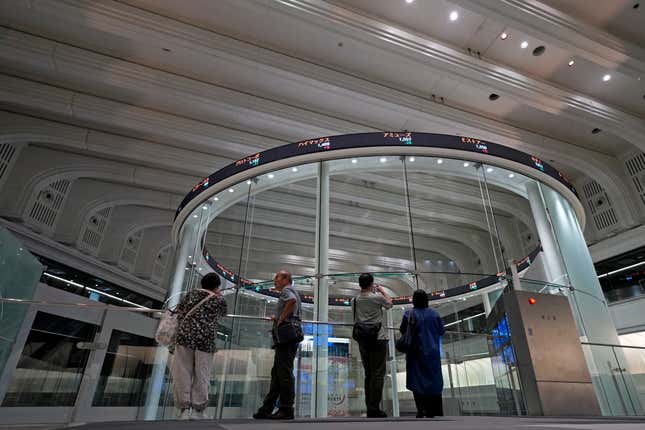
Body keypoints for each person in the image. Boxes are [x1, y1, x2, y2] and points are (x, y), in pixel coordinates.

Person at [171, 273, 227, 420]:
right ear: (217, 286)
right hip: (205, 340)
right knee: (202, 374)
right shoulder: (218, 299)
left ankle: (184, 409)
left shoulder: (191, 294)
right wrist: (218, 294)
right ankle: (198, 410)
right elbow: (224, 313)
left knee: (182, 372)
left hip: (185, 337)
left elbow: (179, 309)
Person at [253, 270, 302, 420]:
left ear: (286, 279)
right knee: (277, 373)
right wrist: (279, 317)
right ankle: (267, 408)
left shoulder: (287, 290)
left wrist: (281, 319)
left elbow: (291, 301)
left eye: (277, 278)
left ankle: (286, 409)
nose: (275, 280)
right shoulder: (291, 290)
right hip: (289, 336)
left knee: (284, 372)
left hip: (286, 337)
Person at [400, 289, 445, 418]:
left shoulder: (409, 314)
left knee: (417, 381)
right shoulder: (434, 314)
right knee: (433, 380)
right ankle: (434, 411)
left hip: (415, 353)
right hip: (433, 353)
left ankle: (421, 410)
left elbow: (403, 331)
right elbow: (441, 331)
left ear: (413, 300)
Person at [353, 273, 393, 418]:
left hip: (363, 339)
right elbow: (389, 304)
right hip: (378, 338)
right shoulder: (376, 297)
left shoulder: (355, 299)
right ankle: (374, 408)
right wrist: (382, 291)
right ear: (372, 283)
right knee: (378, 373)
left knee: (368, 373)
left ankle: (370, 406)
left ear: (359, 284)